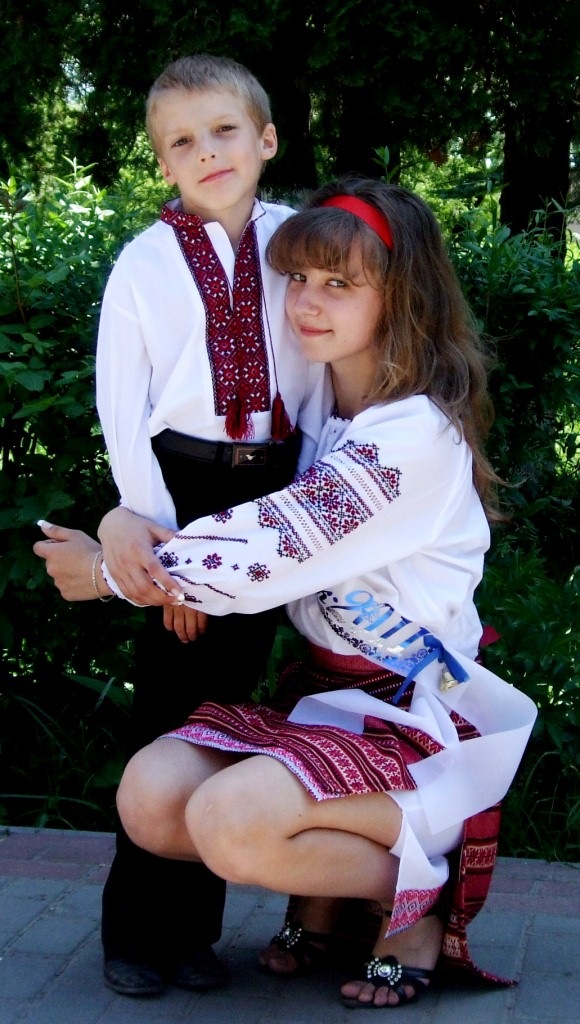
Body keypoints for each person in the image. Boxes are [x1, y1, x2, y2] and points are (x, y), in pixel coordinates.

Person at [40, 178, 536, 1008]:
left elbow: (273, 543)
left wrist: (104, 574)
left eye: (339, 283)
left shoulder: (415, 433)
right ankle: (335, 889)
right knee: (150, 796)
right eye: (298, 278)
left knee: (229, 822)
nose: (306, 301)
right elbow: (236, 521)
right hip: (322, 702)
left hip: (410, 716)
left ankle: (418, 894)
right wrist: (130, 516)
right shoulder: (319, 408)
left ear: (401, 295)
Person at [35, 53, 328, 998]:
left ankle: (195, 934)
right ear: (162, 162)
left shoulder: (296, 247)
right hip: (182, 493)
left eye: (225, 130)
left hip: (273, 489)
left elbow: (316, 387)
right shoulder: (145, 263)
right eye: (183, 141)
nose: (208, 151)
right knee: (168, 720)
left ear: (267, 139)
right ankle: (135, 933)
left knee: (232, 722)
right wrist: (172, 559)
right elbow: (123, 410)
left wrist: (304, 513)